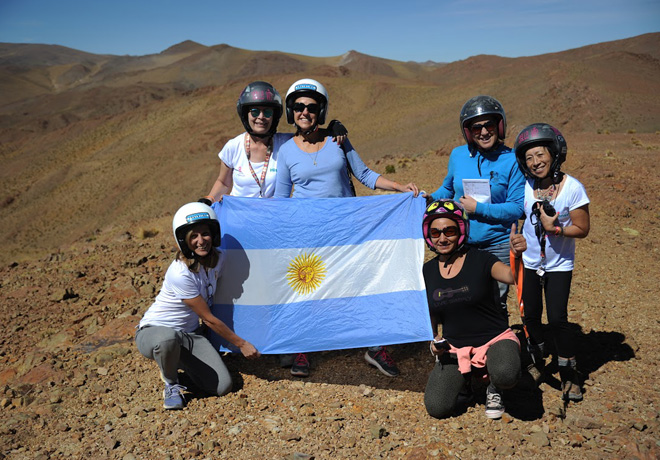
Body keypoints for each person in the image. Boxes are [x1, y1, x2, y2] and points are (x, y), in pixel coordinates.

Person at [274, 78, 419, 377]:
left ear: (321, 111)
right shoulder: (286, 152)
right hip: (308, 234)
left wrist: (398, 187)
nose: (305, 112)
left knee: (362, 283)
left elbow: (364, 174)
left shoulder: (338, 141)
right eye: (298, 107)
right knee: (307, 290)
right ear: (291, 111)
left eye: (311, 107)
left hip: (346, 231)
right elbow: (280, 198)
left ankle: (374, 346)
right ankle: (303, 348)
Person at [135, 202, 260, 410]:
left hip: (190, 335)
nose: (201, 241)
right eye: (193, 236)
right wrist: (241, 344)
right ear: (184, 241)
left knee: (223, 386)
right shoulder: (180, 273)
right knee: (167, 339)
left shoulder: (219, 258)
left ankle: (177, 361)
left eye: (205, 234)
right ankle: (171, 383)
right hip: (155, 331)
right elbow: (209, 318)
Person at [422, 199, 527, 419]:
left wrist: (517, 254)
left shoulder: (480, 258)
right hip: (455, 348)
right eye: (435, 232)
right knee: (437, 407)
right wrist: (434, 342)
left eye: (449, 230)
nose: (442, 238)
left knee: (506, 373)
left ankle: (494, 386)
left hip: (494, 339)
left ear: (461, 230)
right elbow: (430, 313)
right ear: (428, 235)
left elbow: (511, 276)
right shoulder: (427, 271)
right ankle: (467, 383)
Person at [513, 123, 590, 402]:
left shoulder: (573, 188)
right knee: (530, 315)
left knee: (557, 319)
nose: (535, 163)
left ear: (554, 152)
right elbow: (517, 220)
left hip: (559, 265)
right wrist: (517, 242)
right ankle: (535, 360)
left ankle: (569, 373)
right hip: (530, 263)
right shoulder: (524, 187)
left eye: (540, 155)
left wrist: (556, 230)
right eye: (529, 158)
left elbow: (582, 229)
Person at [427, 96, 525, 311]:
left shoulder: (512, 160)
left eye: (489, 125)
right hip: (463, 241)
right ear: (467, 131)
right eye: (476, 127)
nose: (483, 132)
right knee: (463, 297)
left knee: (494, 301)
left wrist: (478, 209)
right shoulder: (458, 155)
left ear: (499, 126)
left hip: (497, 243)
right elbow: (448, 189)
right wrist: (429, 199)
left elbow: (517, 207)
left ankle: (498, 342)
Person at [203, 81, 347, 202]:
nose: (261, 117)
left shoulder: (286, 143)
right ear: (245, 114)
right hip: (240, 217)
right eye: (254, 111)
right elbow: (223, 182)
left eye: (267, 112)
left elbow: (311, 137)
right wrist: (208, 199)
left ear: (274, 116)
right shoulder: (233, 146)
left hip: (271, 219)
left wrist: (332, 127)